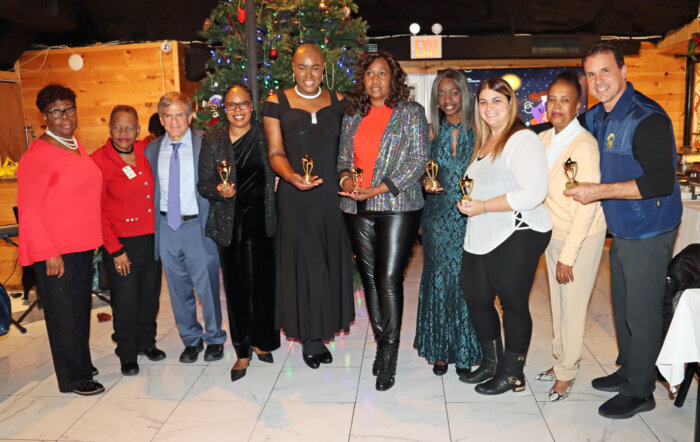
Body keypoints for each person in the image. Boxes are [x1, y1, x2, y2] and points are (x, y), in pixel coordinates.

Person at [565, 42, 682, 419]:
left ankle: (640, 390)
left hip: (650, 229)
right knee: (624, 306)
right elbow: (561, 127)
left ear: (623, 71)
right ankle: (630, 369)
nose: (598, 81)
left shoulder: (647, 117)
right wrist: (514, 129)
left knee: (642, 312)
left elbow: (660, 182)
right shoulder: (599, 116)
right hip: (622, 227)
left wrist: (596, 192)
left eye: (605, 71)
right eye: (591, 74)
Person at [338, 51, 429, 391]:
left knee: (389, 278)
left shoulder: (410, 113)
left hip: (398, 204)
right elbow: (343, 157)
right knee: (370, 276)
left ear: (393, 79)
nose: (375, 80)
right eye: (369, 74)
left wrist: (376, 188)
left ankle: (388, 353)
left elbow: (419, 160)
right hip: (357, 206)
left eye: (382, 74)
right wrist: (346, 179)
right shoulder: (353, 114)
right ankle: (382, 341)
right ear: (363, 79)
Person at [457, 78, 552, 395]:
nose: (488, 108)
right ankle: (491, 362)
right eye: (483, 101)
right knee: (475, 295)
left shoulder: (522, 140)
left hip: (519, 230)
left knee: (512, 303)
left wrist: (482, 205)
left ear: (511, 104)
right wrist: (471, 202)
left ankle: (512, 373)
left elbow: (534, 193)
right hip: (485, 231)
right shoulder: (485, 141)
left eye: (496, 100)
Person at [263, 44, 354, 368]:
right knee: (305, 265)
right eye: (302, 67)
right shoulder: (276, 103)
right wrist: (290, 177)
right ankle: (310, 338)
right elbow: (275, 152)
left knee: (328, 264)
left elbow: (349, 150)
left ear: (323, 69)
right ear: (292, 69)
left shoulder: (340, 102)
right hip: (295, 198)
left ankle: (323, 329)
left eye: (315, 67)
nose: (309, 74)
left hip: (332, 197)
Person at [17, 84, 104, 395]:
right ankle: (73, 377)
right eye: (57, 112)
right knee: (63, 313)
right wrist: (48, 252)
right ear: (45, 117)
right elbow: (31, 209)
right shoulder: (37, 155)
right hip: (56, 250)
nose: (65, 116)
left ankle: (80, 360)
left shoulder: (73, 144)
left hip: (79, 246)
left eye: (69, 109)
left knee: (79, 307)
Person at [199, 84, 280, 382]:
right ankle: (242, 351)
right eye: (231, 104)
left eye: (242, 103)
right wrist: (219, 190)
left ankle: (262, 341)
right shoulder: (213, 139)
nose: (237, 109)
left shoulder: (264, 133)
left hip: (263, 221)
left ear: (251, 106)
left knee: (264, 286)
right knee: (236, 290)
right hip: (229, 222)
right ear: (225, 109)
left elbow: (279, 163)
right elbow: (203, 184)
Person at [534, 71, 606, 401]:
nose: (557, 106)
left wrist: (569, 255)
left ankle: (567, 372)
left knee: (573, 306)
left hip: (580, 236)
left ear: (577, 106)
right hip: (554, 233)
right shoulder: (546, 139)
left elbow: (587, 206)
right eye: (552, 100)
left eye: (565, 100)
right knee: (559, 304)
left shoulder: (584, 145)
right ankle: (561, 359)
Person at [145, 92, 227, 364]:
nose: (174, 121)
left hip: (198, 225)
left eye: (180, 114)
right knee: (178, 290)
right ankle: (191, 340)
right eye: (168, 116)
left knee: (207, 288)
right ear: (161, 119)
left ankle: (215, 338)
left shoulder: (207, 142)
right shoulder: (152, 149)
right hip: (167, 226)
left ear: (190, 116)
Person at [413, 69, 482, 376]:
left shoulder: (481, 132)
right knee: (440, 281)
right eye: (441, 94)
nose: (447, 100)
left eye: (453, 92)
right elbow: (422, 172)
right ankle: (441, 350)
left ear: (465, 94)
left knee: (466, 282)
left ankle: (466, 351)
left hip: (471, 218)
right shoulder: (431, 132)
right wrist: (425, 184)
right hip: (437, 219)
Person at [91, 105, 165, 377]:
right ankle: (127, 352)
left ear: (138, 130)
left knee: (150, 296)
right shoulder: (99, 160)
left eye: (129, 127)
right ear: (110, 129)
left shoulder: (147, 151)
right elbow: (97, 211)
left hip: (152, 239)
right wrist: (115, 249)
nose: (124, 133)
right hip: (121, 244)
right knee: (125, 301)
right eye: (118, 127)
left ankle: (147, 343)